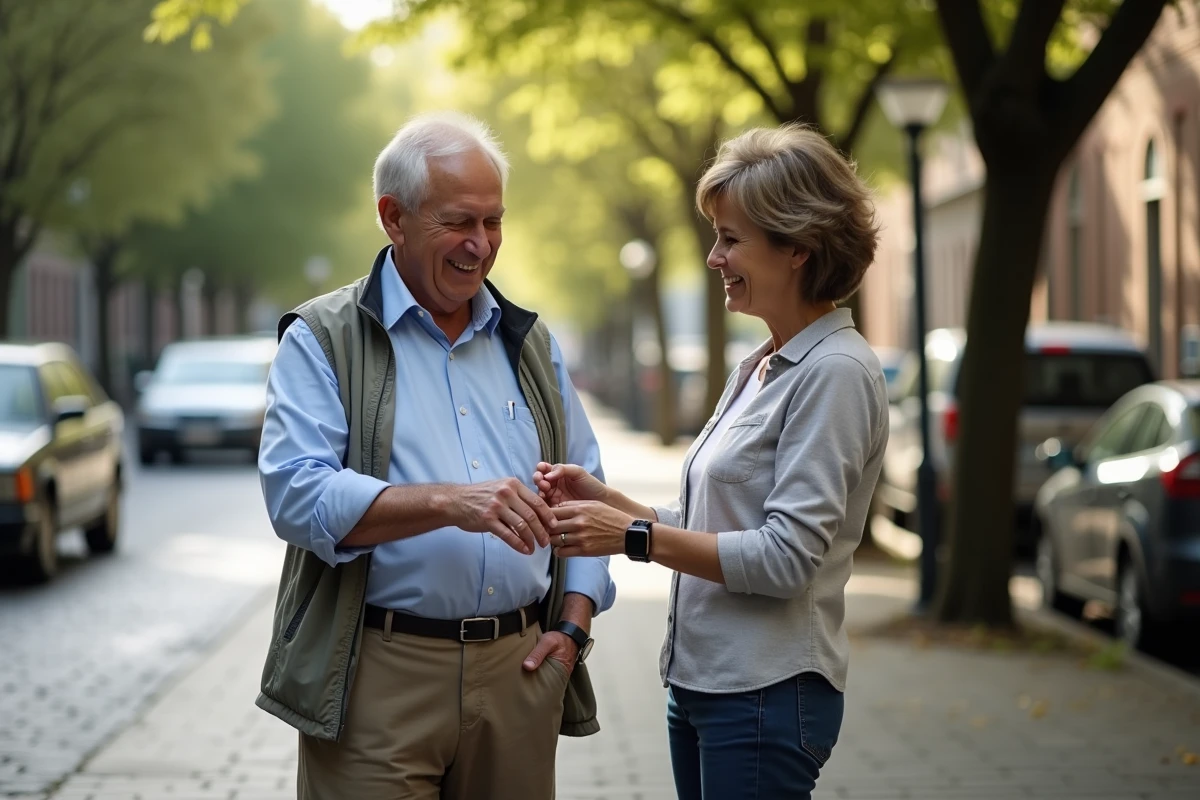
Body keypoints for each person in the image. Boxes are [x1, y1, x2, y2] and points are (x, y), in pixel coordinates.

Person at [256, 111, 615, 800]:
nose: (480, 246)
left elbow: (587, 498)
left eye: (494, 222)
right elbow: (299, 498)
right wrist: (452, 503)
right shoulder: (322, 337)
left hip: (521, 673)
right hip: (379, 677)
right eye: (459, 223)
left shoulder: (532, 345)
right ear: (393, 218)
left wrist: (572, 628)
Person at [536, 124, 888, 800]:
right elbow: (711, 521)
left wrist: (633, 540)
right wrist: (608, 503)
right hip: (705, 686)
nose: (713, 258)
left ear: (798, 249)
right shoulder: (762, 365)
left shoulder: (836, 373)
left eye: (731, 239)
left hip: (764, 695)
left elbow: (785, 560)